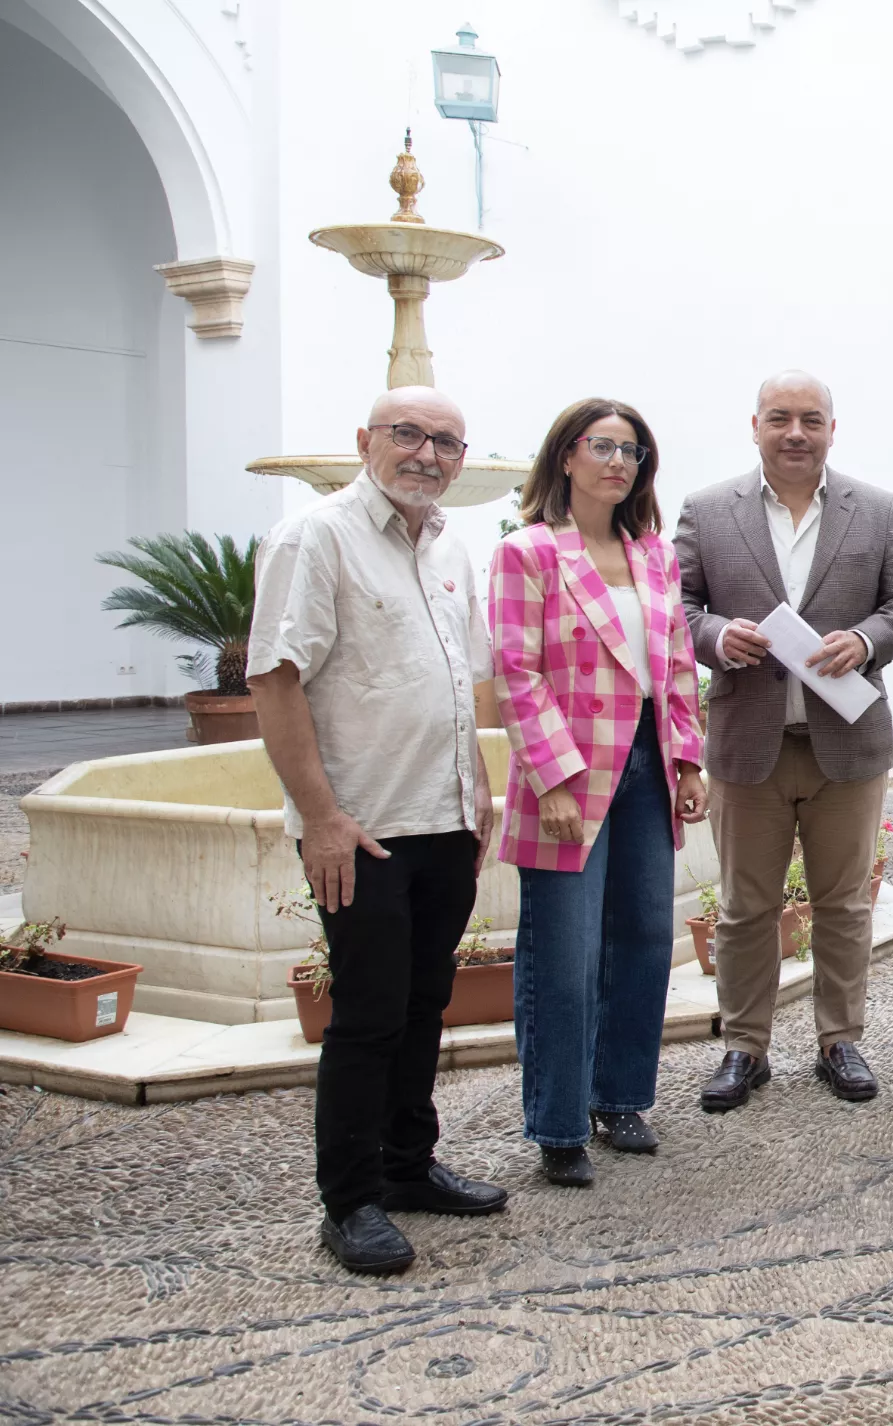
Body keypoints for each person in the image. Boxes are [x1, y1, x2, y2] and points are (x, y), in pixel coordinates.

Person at [247, 387, 509, 1275]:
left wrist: (478, 794)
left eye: (445, 441)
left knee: (423, 1005)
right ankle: (350, 1200)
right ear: (364, 440)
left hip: (444, 823)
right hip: (361, 829)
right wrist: (320, 818)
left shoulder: (450, 550)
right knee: (365, 1016)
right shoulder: (314, 538)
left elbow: (454, 689)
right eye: (408, 434)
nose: (426, 454)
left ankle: (407, 1164)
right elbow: (275, 682)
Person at [676, 370, 893, 1108]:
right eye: (779, 418)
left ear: (832, 429)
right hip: (750, 744)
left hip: (846, 744)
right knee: (747, 906)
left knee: (845, 905)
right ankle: (744, 1048)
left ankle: (840, 1042)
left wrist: (867, 642)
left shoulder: (877, 511)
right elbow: (673, 606)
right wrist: (716, 634)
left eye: (811, 419)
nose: (795, 433)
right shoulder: (708, 511)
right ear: (755, 426)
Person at [492, 398, 709, 1187]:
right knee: (565, 952)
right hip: (570, 773)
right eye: (604, 446)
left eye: (634, 452)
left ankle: (621, 1097)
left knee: (647, 935)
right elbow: (516, 674)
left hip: (648, 765)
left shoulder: (653, 555)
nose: (619, 463)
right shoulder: (529, 554)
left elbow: (677, 666)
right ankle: (557, 1123)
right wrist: (552, 776)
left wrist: (688, 761)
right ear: (567, 456)